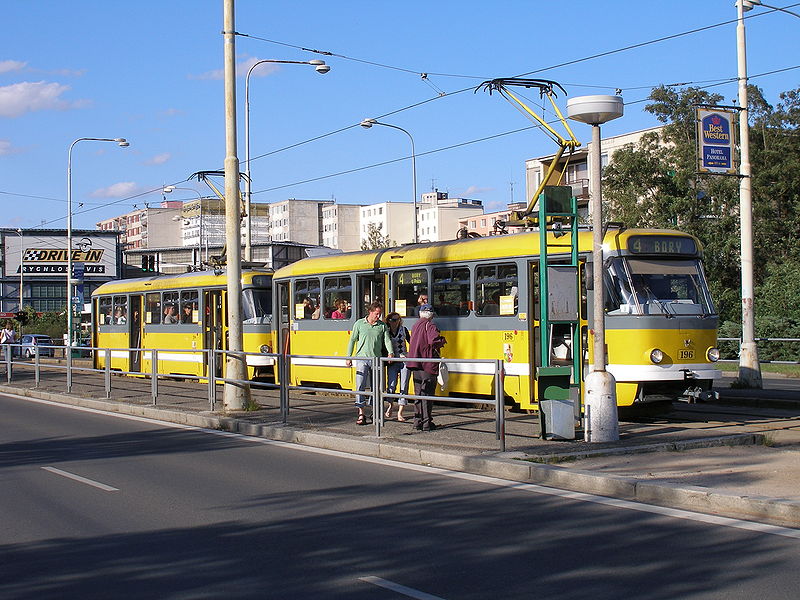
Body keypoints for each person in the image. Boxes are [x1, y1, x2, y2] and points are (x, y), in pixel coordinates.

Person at [344, 301, 393, 425]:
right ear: (370, 312)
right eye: (377, 314)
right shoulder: (359, 324)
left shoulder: (382, 326)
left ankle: (374, 412)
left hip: (376, 359)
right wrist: (348, 357)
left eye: (380, 314)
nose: (378, 316)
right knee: (360, 386)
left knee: (376, 387)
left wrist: (390, 353)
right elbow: (352, 340)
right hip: (361, 359)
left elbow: (387, 340)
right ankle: (361, 413)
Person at [406, 304, 446, 431]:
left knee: (418, 393)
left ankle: (417, 421)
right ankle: (427, 423)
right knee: (428, 393)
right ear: (431, 314)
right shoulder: (431, 325)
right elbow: (433, 341)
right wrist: (442, 340)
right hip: (427, 364)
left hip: (415, 364)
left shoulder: (415, 325)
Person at [384, 312, 411, 422]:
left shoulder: (403, 330)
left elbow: (412, 342)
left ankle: (400, 412)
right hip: (392, 362)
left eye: (397, 320)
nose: (395, 322)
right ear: (388, 321)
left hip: (404, 360)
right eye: (392, 320)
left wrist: (410, 355)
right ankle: (391, 405)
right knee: (391, 385)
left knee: (404, 385)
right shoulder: (386, 331)